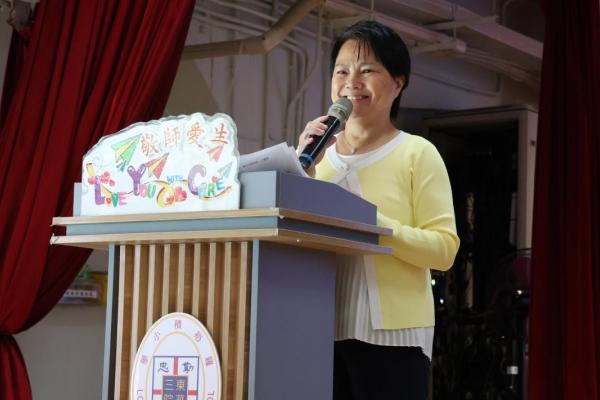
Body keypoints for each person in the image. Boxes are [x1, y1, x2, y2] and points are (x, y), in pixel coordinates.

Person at [297, 20, 460, 400]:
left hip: (395, 341)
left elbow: (444, 249)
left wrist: (374, 225)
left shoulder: (416, 153)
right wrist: (298, 172)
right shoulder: (314, 160)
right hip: (317, 333)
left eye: (367, 70)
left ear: (398, 83)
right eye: (342, 71)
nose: (351, 82)